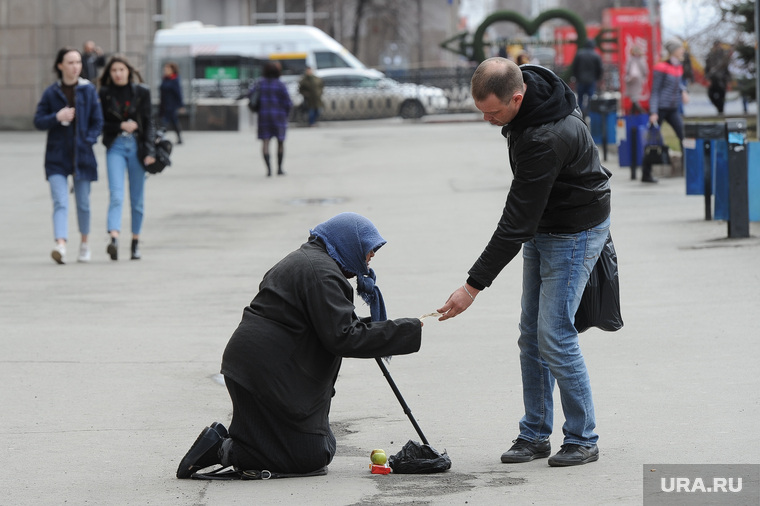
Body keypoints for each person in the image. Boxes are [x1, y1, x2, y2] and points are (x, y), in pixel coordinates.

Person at [436, 57, 611, 467]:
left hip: (574, 229)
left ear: (518, 97)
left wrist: (471, 287)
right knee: (531, 334)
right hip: (546, 221)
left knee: (554, 334)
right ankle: (534, 434)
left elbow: (515, 222)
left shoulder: (544, 138)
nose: (488, 121)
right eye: (482, 112)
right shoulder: (534, 85)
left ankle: (583, 437)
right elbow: (525, 219)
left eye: (494, 113)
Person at [175, 212, 424, 479]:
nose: (371, 257)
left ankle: (235, 442)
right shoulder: (323, 274)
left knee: (322, 445)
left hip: (257, 367)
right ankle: (224, 449)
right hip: (267, 372)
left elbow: (331, 323)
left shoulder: (309, 261)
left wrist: (388, 329)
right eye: (368, 249)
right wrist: (406, 329)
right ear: (348, 243)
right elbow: (343, 337)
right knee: (310, 457)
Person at [33, 47, 104, 264]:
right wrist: (57, 116)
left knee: (83, 202)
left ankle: (84, 243)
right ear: (60, 65)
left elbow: (97, 122)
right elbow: (38, 120)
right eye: (70, 62)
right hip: (56, 156)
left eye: (78, 62)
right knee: (60, 201)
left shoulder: (88, 90)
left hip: (82, 156)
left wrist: (88, 140)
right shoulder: (51, 92)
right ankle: (61, 245)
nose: (75, 67)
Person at [98, 55, 156, 261]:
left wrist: (150, 151)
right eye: (114, 71)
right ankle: (113, 238)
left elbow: (149, 122)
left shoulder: (142, 92)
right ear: (110, 74)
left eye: (121, 70)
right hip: (115, 146)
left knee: (137, 199)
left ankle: (135, 242)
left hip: (137, 148)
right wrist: (120, 126)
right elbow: (100, 123)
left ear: (128, 72)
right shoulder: (104, 94)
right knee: (116, 194)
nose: (118, 74)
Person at [649, 38, 689, 183]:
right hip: (660, 108)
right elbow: (655, 91)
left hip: (673, 109)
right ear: (674, 51)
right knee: (651, 141)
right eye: (680, 48)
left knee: (684, 136)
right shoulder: (661, 67)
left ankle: (686, 169)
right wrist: (653, 112)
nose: (683, 50)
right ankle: (646, 173)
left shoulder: (678, 66)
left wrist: (683, 91)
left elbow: (678, 84)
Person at [249, 61, 292, 176]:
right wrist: (286, 114)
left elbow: (251, 96)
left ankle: (268, 170)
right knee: (280, 142)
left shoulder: (259, 84)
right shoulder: (280, 85)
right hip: (279, 116)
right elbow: (288, 102)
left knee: (265, 142)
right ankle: (279, 169)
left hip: (264, 116)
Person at [570, 39, 603, 118]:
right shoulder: (596, 55)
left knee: (580, 97)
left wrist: (576, 77)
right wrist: (598, 78)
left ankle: (580, 113)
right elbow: (600, 69)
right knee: (590, 97)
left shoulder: (579, 54)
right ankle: (588, 112)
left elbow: (574, 67)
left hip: (580, 80)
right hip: (591, 80)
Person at [159, 61, 185, 144]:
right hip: (164, 104)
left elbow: (178, 93)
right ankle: (178, 138)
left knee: (166, 121)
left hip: (172, 105)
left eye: (167, 69)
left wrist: (181, 105)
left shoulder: (175, 79)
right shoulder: (164, 79)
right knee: (171, 121)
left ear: (172, 70)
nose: (165, 70)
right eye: (165, 69)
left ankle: (160, 138)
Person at [704, 41, 732, 115]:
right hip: (713, 79)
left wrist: (728, 80)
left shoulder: (724, 56)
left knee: (722, 96)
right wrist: (707, 78)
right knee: (711, 95)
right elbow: (707, 68)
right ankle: (719, 108)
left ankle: (721, 111)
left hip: (722, 79)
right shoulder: (710, 55)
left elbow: (727, 69)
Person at [624, 42, 648, 115]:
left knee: (634, 98)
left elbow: (645, 71)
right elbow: (627, 70)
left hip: (637, 81)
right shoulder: (630, 60)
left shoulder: (641, 60)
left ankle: (640, 112)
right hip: (631, 81)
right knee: (634, 98)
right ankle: (634, 113)